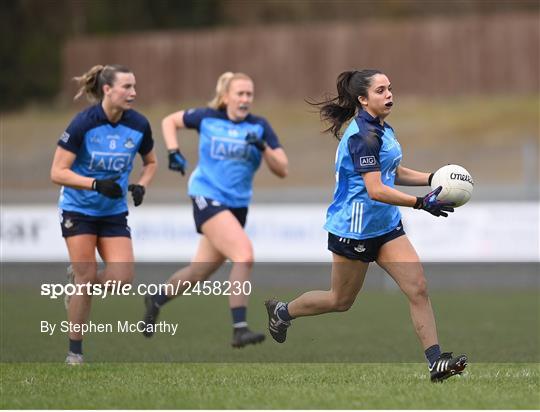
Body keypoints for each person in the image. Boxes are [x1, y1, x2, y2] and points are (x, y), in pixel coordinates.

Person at [264, 69, 467, 382]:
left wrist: (432, 179)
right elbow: (375, 189)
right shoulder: (362, 136)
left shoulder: (383, 128)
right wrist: (420, 203)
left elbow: (393, 171)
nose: (389, 95)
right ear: (363, 99)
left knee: (418, 288)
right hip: (353, 229)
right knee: (340, 301)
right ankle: (283, 312)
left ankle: (436, 362)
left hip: (385, 226)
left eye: (390, 89)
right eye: (381, 90)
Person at [142, 72, 288, 348]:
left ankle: (157, 298)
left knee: (199, 272)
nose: (245, 99)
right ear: (226, 97)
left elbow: (282, 168)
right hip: (206, 195)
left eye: (249, 94)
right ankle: (239, 328)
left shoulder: (260, 126)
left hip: (237, 207)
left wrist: (264, 148)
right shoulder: (207, 117)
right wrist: (173, 151)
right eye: (240, 93)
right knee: (244, 256)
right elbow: (169, 121)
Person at [50, 64, 157, 364]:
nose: (133, 93)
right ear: (107, 89)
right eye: (127, 87)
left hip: (113, 212)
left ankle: (79, 282)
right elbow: (57, 172)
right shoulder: (84, 123)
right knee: (86, 278)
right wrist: (95, 183)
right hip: (78, 209)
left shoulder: (138, 124)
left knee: (122, 279)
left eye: (135, 87)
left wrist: (141, 185)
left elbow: (151, 162)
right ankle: (75, 354)